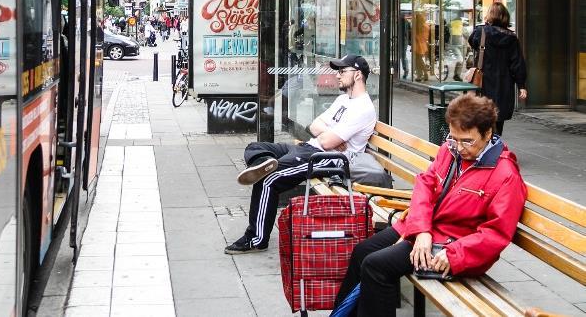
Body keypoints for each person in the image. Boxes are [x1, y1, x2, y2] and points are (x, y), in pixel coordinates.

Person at [332, 94, 527, 317]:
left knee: (376, 267)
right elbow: (425, 184)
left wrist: (454, 254)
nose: (459, 147)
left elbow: (497, 233)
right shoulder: (450, 150)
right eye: (454, 138)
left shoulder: (506, 175)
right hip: (424, 229)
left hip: (450, 244)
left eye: (467, 141)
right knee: (362, 252)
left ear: (488, 134)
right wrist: (422, 230)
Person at [224, 55, 378, 254]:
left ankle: (256, 238)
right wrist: (329, 134)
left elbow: (325, 142)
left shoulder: (363, 108)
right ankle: (263, 163)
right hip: (309, 147)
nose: (337, 76)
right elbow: (314, 126)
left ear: (357, 75)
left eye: (342, 71)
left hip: (327, 160)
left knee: (269, 180)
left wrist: (328, 135)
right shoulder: (343, 100)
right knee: (255, 147)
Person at [468, 2, 527, 135]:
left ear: (490, 15)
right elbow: (517, 63)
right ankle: (494, 145)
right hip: (504, 84)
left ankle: (481, 145)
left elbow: (472, 41)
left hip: (484, 81)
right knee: (498, 118)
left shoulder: (481, 31)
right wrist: (521, 85)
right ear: (505, 17)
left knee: (481, 115)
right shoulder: (512, 38)